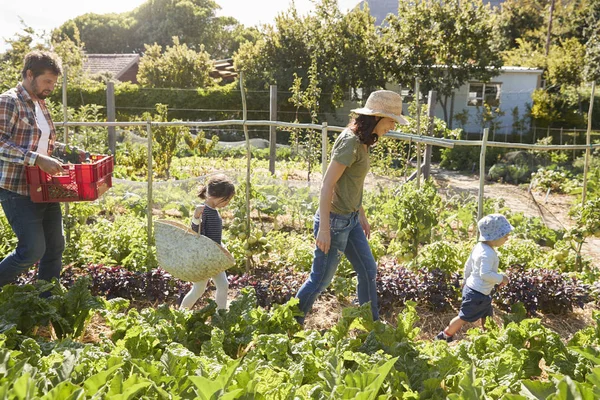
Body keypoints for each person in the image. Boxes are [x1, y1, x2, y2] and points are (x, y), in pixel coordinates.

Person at [295, 90, 409, 325]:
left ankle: (371, 325)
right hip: (335, 222)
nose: (393, 127)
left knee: (368, 271)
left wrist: (361, 214)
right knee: (320, 280)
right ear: (377, 117)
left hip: (352, 219)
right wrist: (324, 229)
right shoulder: (350, 141)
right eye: (391, 121)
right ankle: (288, 323)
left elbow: (352, 184)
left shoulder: (364, 142)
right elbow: (327, 185)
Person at [0, 51, 66, 288]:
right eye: (47, 81)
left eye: (54, 83)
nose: (51, 87)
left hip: (44, 186)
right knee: (32, 250)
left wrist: (71, 150)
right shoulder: (9, 101)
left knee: (55, 246)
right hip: (17, 188)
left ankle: (45, 304)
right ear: (30, 74)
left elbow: (41, 141)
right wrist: (36, 159)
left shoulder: (41, 103)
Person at [435, 214, 513, 342]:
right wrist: (502, 278)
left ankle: (490, 339)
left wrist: (465, 280)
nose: (507, 238)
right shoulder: (487, 254)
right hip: (477, 294)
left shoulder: (479, 247)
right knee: (464, 317)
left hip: (475, 290)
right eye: (505, 236)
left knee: (487, 317)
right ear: (494, 237)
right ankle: (444, 336)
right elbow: (485, 274)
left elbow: (468, 265)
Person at [180, 174, 236, 310]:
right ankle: (180, 314)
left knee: (223, 285)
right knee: (198, 290)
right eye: (226, 199)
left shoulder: (214, 211)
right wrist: (195, 217)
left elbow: (214, 237)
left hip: (214, 256)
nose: (227, 203)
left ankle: (220, 316)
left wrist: (222, 248)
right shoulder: (203, 210)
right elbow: (196, 233)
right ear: (216, 195)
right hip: (203, 258)